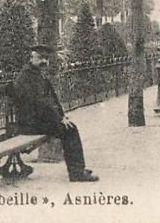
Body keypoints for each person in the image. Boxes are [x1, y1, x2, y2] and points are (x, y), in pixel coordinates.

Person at [12, 44, 98, 182]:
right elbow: (42, 104)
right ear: (31, 58)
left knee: (69, 127)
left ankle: (78, 169)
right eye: (40, 58)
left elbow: (52, 99)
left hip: (38, 120)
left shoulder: (36, 75)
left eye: (46, 59)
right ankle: (76, 173)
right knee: (70, 130)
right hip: (29, 125)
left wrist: (62, 116)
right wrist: (59, 120)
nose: (43, 62)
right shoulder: (27, 78)